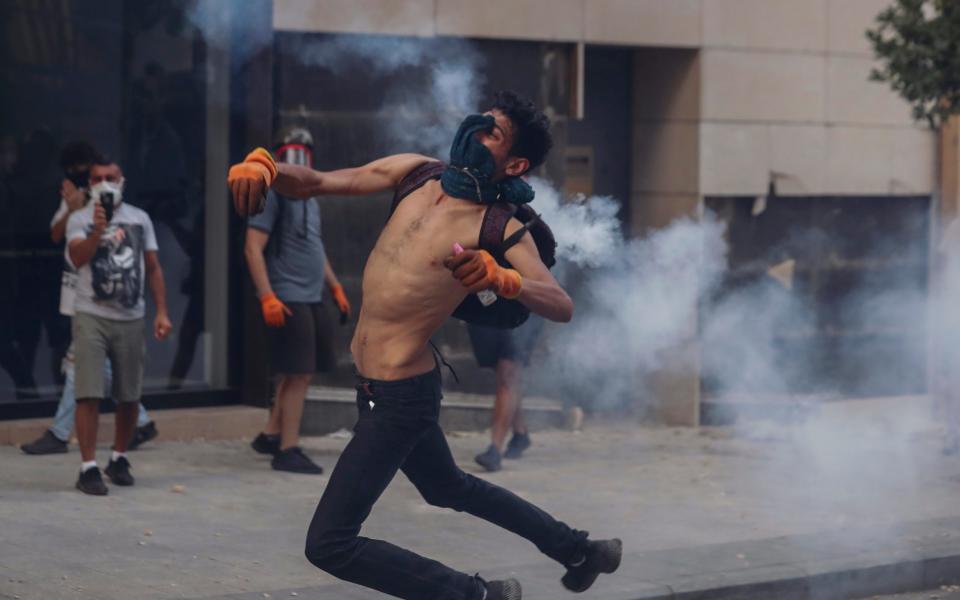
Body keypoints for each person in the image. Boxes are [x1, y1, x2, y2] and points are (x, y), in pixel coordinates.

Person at [228, 91, 621, 599]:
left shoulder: (499, 223)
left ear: (515, 162)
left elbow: (559, 302)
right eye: (478, 123)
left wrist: (503, 278)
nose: (475, 133)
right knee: (447, 487)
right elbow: (323, 182)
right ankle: (580, 551)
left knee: (329, 543)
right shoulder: (418, 173)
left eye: (492, 133)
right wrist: (267, 169)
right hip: (375, 388)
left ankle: (473, 594)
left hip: (401, 400)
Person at [21, 142, 157, 455]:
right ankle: (141, 420)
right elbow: (56, 235)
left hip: (104, 298)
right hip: (78, 290)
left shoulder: (127, 212)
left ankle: (60, 432)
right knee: (91, 367)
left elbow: (150, 264)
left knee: (79, 366)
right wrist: (73, 207)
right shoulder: (76, 202)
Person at [245, 127, 351, 474]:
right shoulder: (271, 195)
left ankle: (271, 434)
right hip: (287, 294)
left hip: (311, 294)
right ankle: (287, 450)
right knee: (299, 372)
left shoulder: (312, 199)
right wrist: (268, 297)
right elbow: (253, 248)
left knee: (297, 372)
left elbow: (315, 249)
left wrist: (334, 287)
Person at [67, 157, 171, 495]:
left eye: (110, 177)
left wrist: (162, 312)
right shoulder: (80, 218)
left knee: (130, 394)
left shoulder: (140, 218)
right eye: (97, 178)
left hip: (131, 316)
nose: (104, 183)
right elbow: (77, 258)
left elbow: (153, 266)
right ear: (89, 184)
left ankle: (119, 457)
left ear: (122, 180)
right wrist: (98, 229)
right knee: (88, 393)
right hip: (91, 314)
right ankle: (88, 467)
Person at [469, 316, 543, 472]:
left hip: (522, 309)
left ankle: (495, 449)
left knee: (508, 373)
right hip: (484, 309)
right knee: (505, 375)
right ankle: (520, 433)